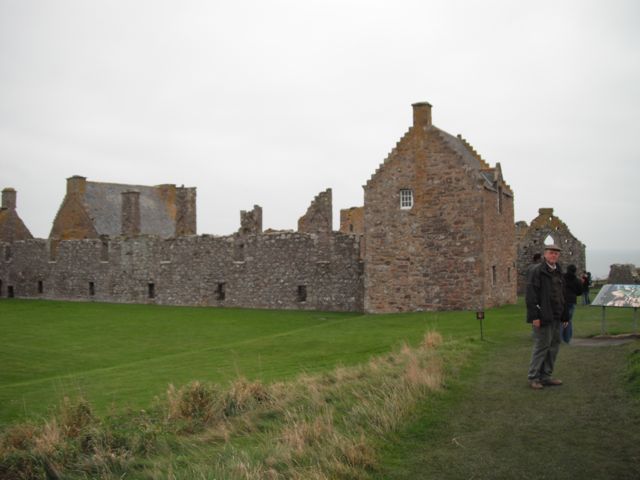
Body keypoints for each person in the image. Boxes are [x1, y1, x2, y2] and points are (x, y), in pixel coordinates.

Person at [526, 244, 568, 390]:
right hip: (542, 316)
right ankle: (533, 377)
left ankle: (546, 376)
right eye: (551, 253)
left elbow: (562, 294)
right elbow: (531, 295)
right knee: (542, 346)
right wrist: (534, 317)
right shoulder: (537, 271)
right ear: (545, 254)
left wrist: (565, 315)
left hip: (556, 316)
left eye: (556, 253)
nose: (554, 255)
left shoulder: (559, 271)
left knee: (554, 346)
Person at [562, 264, 583, 343]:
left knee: (561, 320)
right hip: (571, 301)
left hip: (562, 300)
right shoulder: (577, 280)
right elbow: (580, 292)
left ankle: (560, 339)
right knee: (569, 320)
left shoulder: (562, 277)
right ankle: (567, 339)